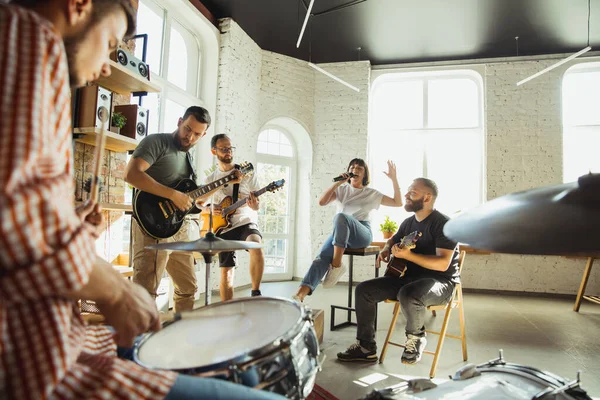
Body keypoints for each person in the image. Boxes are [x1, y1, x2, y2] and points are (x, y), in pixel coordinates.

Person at [0, 1, 284, 399]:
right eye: (111, 43)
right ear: (78, 5)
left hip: (70, 334)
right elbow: (20, 227)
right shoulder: (28, 38)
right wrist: (115, 291)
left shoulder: (188, 158)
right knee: (258, 389)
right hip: (50, 363)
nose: (103, 67)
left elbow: (28, 214)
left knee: (243, 370)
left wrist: (76, 229)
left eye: (197, 133)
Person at [337, 178, 460, 365]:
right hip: (410, 279)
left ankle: (416, 338)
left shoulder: (444, 224)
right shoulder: (409, 223)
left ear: (427, 197)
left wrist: (409, 256)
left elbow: (443, 264)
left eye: (412, 192)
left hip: (440, 283)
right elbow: (392, 240)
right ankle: (365, 347)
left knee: (408, 293)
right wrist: (386, 249)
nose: (406, 195)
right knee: (364, 290)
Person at [125, 106, 236, 312]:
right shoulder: (156, 142)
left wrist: (222, 182)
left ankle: (179, 334)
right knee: (146, 292)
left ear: (203, 135)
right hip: (151, 227)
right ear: (179, 121)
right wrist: (172, 194)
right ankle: (141, 341)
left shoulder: (187, 158)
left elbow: (190, 199)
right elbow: (131, 174)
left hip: (178, 227)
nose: (190, 137)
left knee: (188, 288)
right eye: (187, 129)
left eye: (196, 134)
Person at [293, 159, 403, 302]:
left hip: (361, 233)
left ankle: (336, 265)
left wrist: (394, 179)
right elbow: (321, 202)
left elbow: (398, 203)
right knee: (321, 257)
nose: (355, 169)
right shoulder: (341, 190)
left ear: (364, 175)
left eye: (359, 168)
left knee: (341, 217)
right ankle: (299, 295)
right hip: (340, 234)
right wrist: (337, 183)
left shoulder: (371, 193)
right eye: (352, 167)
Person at [202, 133, 264, 301]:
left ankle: (255, 292)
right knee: (226, 273)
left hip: (245, 222)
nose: (228, 152)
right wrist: (209, 209)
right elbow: (198, 205)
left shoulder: (246, 173)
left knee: (256, 246)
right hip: (222, 227)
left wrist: (255, 205)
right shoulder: (211, 178)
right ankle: (226, 308)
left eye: (230, 148)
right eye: (224, 149)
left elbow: (258, 204)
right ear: (214, 152)